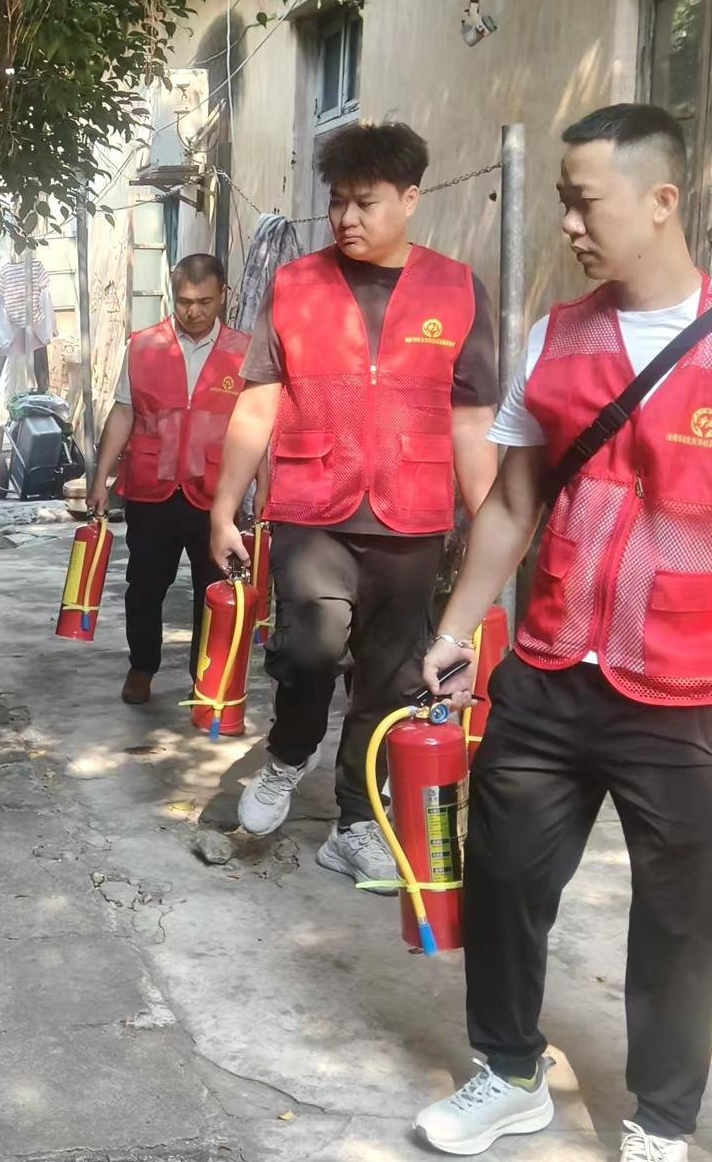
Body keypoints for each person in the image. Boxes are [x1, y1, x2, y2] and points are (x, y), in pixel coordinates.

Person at [411, 104, 712, 1162]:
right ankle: (508, 1072)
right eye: (563, 203)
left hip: (689, 686)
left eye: (585, 202)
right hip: (549, 666)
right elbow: (510, 504)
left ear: (661, 200)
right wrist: (456, 628)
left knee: (679, 920)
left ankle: (661, 1122)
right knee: (502, 875)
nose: (570, 224)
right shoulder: (555, 337)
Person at [207, 120, 499, 885]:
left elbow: (472, 421)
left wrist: (495, 524)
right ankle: (287, 755)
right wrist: (224, 506)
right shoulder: (296, 285)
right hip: (313, 506)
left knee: (391, 678)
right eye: (337, 202)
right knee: (309, 650)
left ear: (410, 198)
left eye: (365, 203)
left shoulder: (457, 289)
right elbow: (257, 402)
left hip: (414, 515)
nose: (346, 218)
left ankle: (356, 821)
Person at [86, 254, 250, 705]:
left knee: (213, 589)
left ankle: (206, 678)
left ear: (223, 297)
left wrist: (264, 490)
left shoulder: (245, 352)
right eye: (184, 302)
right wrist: (100, 478)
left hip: (215, 495)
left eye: (205, 302)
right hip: (150, 488)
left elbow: (257, 426)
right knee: (144, 586)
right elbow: (124, 412)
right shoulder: (143, 346)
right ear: (171, 296)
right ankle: (142, 667)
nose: (193, 312)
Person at [0, 245, 55, 404]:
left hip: (31, 323)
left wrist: (44, 324)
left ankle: (42, 392)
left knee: (37, 356)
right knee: (0, 354)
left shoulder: (36, 267)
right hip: (15, 323)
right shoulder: (5, 271)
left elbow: (45, 296)